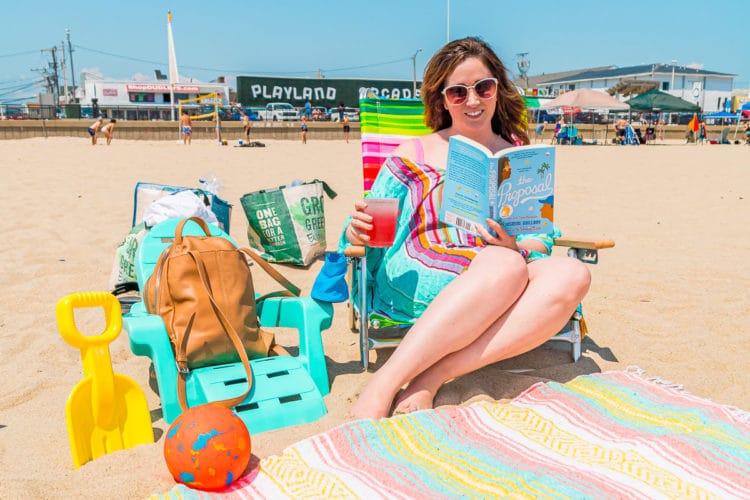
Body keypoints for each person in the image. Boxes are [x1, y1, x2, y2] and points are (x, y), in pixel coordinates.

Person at [343, 37, 591, 419]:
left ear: (497, 90)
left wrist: (517, 244)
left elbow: (539, 235)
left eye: (483, 88)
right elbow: (368, 224)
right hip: (424, 268)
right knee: (504, 266)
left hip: (497, 272)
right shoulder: (413, 153)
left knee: (572, 274)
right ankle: (385, 383)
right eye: (458, 92)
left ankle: (431, 377)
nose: (472, 100)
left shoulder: (517, 155)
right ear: (443, 100)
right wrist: (355, 230)